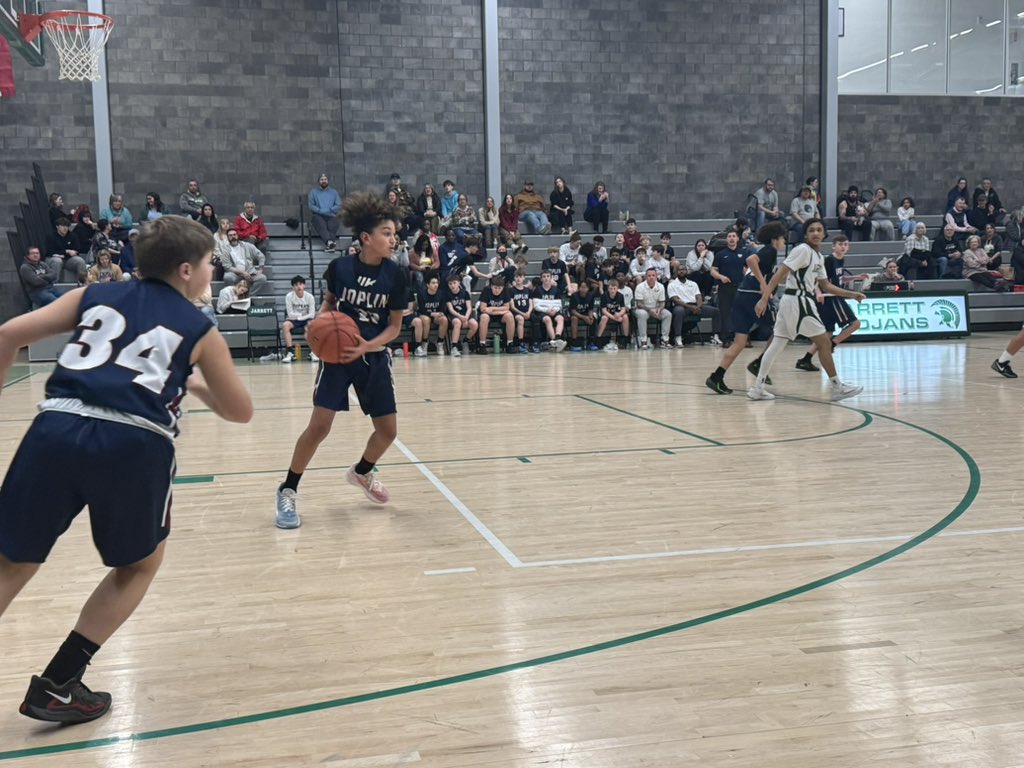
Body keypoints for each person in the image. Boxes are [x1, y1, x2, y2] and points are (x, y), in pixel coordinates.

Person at [0, 215, 252, 724]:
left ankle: (60, 685)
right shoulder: (199, 328)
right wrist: (198, 384)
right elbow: (241, 410)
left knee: (11, 562)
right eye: (209, 263)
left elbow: (7, 334)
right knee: (139, 565)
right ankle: (60, 683)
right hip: (134, 442)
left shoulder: (95, 295)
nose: (212, 271)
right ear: (186, 270)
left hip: (55, 429)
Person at [275, 193, 407, 530]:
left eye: (395, 234)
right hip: (336, 359)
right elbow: (328, 306)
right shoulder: (340, 268)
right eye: (387, 233)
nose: (394, 240)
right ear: (366, 238)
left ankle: (361, 472)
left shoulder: (396, 276)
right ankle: (288, 489)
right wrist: (317, 329)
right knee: (319, 427)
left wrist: (367, 345)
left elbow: (394, 327)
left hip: (373, 357)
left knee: (388, 432)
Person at [746, 219, 865, 402]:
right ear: (805, 234)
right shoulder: (802, 250)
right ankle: (837, 387)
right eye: (811, 230)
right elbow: (780, 274)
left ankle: (758, 388)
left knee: (777, 344)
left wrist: (852, 294)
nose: (816, 233)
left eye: (819, 230)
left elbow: (825, 285)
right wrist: (764, 298)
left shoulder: (818, 257)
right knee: (824, 342)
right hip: (798, 300)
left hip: (793, 301)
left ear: (824, 234)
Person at [705, 222, 785, 395]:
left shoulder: (767, 251)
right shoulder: (770, 250)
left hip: (741, 295)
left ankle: (716, 377)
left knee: (739, 342)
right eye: (783, 239)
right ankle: (759, 363)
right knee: (779, 331)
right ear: (775, 239)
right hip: (752, 295)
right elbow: (750, 260)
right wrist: (764, 285)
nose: (784, 242)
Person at [795, 234, 864, 372]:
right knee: (855, 324)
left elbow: (838, 278)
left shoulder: (840, 260)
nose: (843, 247)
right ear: (834, 246)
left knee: (827, 332)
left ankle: (806, 359)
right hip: (831, 297)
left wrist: (855, 277)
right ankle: (831, 345)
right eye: (840, 244)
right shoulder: (829, 260)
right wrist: (818, 292)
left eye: (845, 244)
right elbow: (815, 277)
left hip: (832, 296)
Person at [668, 264, 719, 347]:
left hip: (695, 306)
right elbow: (675, 300)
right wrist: (690, 307)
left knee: (716, 311)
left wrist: (698, 306)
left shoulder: (693, 283)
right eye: (679, 270)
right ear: (676, 272)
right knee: (678, 311)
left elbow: (698, 297)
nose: (682, 271)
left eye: (683, 269)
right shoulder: (672, 284)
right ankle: (678, 337)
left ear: (687, 271)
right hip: (683, 307)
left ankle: (715, 336)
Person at [709, 230, 746, 346]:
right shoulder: (720, 254)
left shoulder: (743, 253)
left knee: (741, 313)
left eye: (733, 236)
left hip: (740, 287)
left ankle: (743, 339)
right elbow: (712, 271)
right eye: (729, 236)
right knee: (725, 313)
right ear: (726, 239)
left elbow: (748, 268)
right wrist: (721, 277)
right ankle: (726, 339)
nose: (731, 238)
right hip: (725, 288)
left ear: (737, 239)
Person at [281, 275, 317, 363]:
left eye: (300, 284)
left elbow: (312, 315)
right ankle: (290, 353)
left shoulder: (310, 297)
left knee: (311, 326)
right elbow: (289, 314)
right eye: (296, 285)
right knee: (285, 325)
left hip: (306, 319)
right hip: (295, 320)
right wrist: (302, 314)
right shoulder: (289, 296)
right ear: (293, 287)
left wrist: (300, 317)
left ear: (304, 285)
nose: (299, 286)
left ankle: (313, 352)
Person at [221, 228, 268, 295]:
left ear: (237, 235)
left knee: (262, 278)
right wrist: (242, 273)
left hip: (250, 272)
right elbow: (227, 267)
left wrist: (260, 268)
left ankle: (247, 295)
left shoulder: (247, 245)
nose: (233, 237)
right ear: (227, 237)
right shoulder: (225, 250)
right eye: (230, 235)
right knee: (227, 277)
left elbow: (260, 256)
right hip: (235, 274)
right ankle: (235, 294)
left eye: (234, 234)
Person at [477, 275, 515, 354]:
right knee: (484, 317)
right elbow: (483, 309)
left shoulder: (506, 290)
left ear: (502, 288)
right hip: (487, 315)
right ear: (491, 286)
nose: (497, 290)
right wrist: (501, 310)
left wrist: (493, 309)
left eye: (499, 288)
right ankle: (482, 344)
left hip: (498, 314)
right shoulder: (486, 290)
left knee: (510, 316)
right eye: (495, 288)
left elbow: (507, 307)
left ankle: (510, 343)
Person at [634, 268, 671, 349]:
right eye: (649, 275)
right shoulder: (640, 287)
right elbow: (639, 304)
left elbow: (662, 303)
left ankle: (665, 340)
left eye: (653, 275)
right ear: (645, 277)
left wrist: (659, 309)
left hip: (656, 309)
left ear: (656, 276)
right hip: (643, 309)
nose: (651, 277)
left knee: (668, 314)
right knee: (642, 314)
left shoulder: (660, 286)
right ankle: (643, 341)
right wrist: (650, 310)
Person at [531, 270, 567, 351]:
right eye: (544, 277)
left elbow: (559, 304)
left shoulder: (556, 290)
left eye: (548, 276)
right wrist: (546, 310)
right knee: (547, 319)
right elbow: (536, 305)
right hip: (542, 312)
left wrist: (554, 310)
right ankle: (554, 341)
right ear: (541, 279)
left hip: (554, 310)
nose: (546, 278)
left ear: (551, 278)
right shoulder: (537, 290)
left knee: (560, 318)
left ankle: (557, 337)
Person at [413, 272, 447, 356]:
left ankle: (440, 342)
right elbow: (422, 309)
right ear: (428, 285)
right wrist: (432, 314)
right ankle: (424, 343)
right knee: (426, 319)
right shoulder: (421, 294)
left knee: (444, 319)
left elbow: (443, 308)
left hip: (436, 315)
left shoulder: (441, 293)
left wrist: (440, 313)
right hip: (425, 314)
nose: (436, 285)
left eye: (437, 283)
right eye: (433, 283)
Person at [443, 274, 477, 357]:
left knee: (474, 324)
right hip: (454, 316)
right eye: (450, 284)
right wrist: (460, 317)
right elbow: (451, 309)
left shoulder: (465, 293)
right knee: (457, 322)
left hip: (465, 315)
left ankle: (465, 341)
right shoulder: (447, 294)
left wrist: (465, 317)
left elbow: (469, 307)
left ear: (459, 283)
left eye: (454, 283)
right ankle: (454, 347)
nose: (452, 285)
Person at [44, 218, 86, 283]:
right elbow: (50, 251)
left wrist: (74, 252)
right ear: (57, 226)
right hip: (52, 258)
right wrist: (66, 251)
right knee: (57, 261)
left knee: (80, 261)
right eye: (63, 226)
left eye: (67, 226)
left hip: (68, 259)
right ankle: (53, 284)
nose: (65, 228)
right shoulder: (51, 236)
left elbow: (77, 249)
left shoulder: (73, 236)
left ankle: (83, 282)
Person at [308, 173, 342, 251]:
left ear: (328, 181)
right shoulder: (313, 192)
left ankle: (329, 245)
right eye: (322, 179)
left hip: (332, 215)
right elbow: (311, 206)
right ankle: (330, 242)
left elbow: (338, 204)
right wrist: (321, 211)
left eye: (325, 179)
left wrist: (329, 210)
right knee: (321, 224)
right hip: (318, 216)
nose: (324, 181)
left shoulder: (334, 192)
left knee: (332, 225)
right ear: (319, 181)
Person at [597, 278, 630, 351]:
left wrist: (619, 314)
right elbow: (604, 311)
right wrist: (614, 318)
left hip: (617, 314)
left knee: (625, 317)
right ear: (608, 288)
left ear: (617, 288)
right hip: (608, 314)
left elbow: (623, 309)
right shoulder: (604, 296)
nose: (612, 290)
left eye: (614, 288)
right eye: (611, 288)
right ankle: (598, 338)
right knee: (604, 318)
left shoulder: (620, 296)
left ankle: (625, 338)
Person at [567, 280, 597, 350]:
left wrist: (590, 316)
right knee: (574, 319)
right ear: (579, 288)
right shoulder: (574, 296)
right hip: (576, 314)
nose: (583, 289)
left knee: (593, 319)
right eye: (582, 287)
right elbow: (573, 311)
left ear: (588, 288)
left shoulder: (591, 296)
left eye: (585, 287)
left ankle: (591, 341)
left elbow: (590, 309)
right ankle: (574, 342)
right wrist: (584, 317)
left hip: (585, 313)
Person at [509, 271, 534, 353]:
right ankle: (521, 343)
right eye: (516, 277)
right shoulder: (511, 290)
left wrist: (529, 312)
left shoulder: (528, 290)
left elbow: (531, 304)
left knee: (537, 319)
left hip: (527, 312)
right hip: (517, 312)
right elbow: (512, 307)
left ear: (524, 278)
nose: (518, 278)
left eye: (520, 276)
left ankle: (535, 342)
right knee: (520, 319)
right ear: (514, 278)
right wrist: (522, 314)